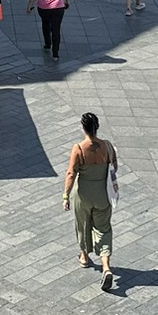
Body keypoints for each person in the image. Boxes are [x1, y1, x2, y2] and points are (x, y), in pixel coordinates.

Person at [63, 112, 118, 290]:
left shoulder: (78, 149)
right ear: (97, 127)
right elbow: (114, 167)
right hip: (103, 194)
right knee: (103, 229)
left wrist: (66, 195)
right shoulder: (107, 146)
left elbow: (71, 173)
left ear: (82, 127)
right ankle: (106, 267)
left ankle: (85, 256)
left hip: (84, 195)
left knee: (83, 225)